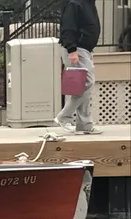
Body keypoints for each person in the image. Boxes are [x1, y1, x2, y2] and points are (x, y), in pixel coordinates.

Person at [55, 0, 102, 134]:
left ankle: (84, 124)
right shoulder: (75, 3)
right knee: (87, 83)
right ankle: (64, 116)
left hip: (85, 50)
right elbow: (67, 28)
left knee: (82, 86)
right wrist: (72, 49)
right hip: (77, 49)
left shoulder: (88, 3)